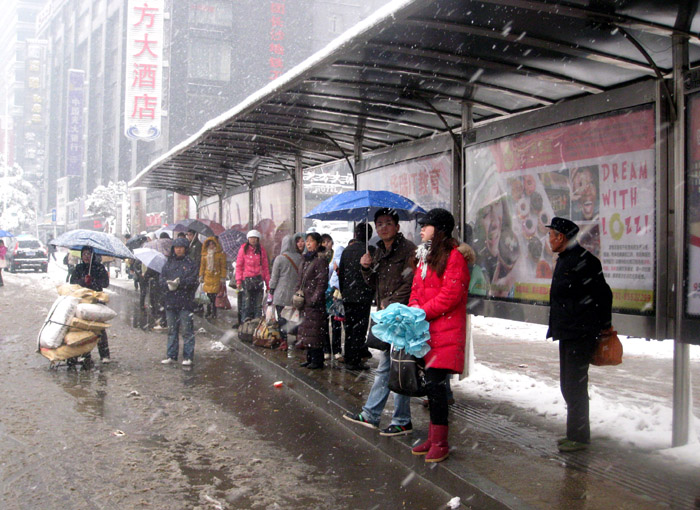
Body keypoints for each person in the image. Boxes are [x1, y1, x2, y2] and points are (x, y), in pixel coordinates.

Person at [343, 208, 417, 436]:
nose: (383, 228)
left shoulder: (408, 250)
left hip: (402, 315)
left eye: (388, 223)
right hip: (386, 314)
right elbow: (373, 283)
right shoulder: (378, 251)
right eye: (380, 224)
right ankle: (374, 415)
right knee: (388, 365)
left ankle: (399, 419)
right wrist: (366, 268)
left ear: (397, 226)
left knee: (399, 366)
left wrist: (391, 303)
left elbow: (410, 282)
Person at [408, 209, 471, 463]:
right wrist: (413, 308)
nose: (421, 229)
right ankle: (433, 438)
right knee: (431, 387)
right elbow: (415, 289)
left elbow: (450, 296)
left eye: (427, 225)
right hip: (426, 332)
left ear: (440, 229)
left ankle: (441, 442)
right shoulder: (424, 257)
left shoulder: (454, 257)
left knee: (436, 386)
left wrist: (422, 312)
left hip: (445, 332)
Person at [546, 216, 612, 452]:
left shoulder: (584, 261)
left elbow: (603, 295)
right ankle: (575, 433)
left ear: (561, 237)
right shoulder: (565, 259)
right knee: (568, 385)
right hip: (567, 331)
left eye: (551, 235)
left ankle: (579, 436)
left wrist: (604, 325)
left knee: (574, 385)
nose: (549, 240)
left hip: (580, 332)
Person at [337, 223, 375, 370]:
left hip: (348, 295)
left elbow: (341, 273)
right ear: (369, 236)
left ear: (355, 234)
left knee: (349, 327)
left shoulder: (347, 250)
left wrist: (344, 291)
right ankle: (355, 359)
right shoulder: (370, 251)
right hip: (363, 296)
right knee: (360, 329)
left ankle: (348, 356)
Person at [159, 237, 199, 366]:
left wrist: (179, 284)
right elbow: (161, 279)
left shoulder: (191, 264)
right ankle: (171, 355)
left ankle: (188, 356)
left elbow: (193, 281)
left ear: (186, 249)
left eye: (181, 247)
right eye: (176, 247)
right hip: (170, 301)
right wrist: (167, 284)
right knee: (172, 330)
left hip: (185, 302)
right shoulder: (168, 263)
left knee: (187, 330)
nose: (179, 250)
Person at [70, 247, 112, 364]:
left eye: (88, 254)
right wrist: (83, 281)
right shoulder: (78, 268)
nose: (86, 256)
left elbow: (105, 283)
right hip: (82, 302)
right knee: (84, 328)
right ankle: (85, 354)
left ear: (93, 255)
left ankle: (104, 355)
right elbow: (72, 283)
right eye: (84, 254)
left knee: (99, 328)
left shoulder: (99, 267)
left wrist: (93, 281)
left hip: (96, 301)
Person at [295, 232, 329, 369]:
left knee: (315, 332)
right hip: (304, 301)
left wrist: (314, 299)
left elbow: (322, 283)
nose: (308, 243)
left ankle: (317, 360)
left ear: (318, 243)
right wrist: (297, 294)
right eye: (307, 241)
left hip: (314, 304)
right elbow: (300, 279)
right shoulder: (305, 259)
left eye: (311, 241)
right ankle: (309, 357)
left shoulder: (320, 260)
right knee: (306, 331)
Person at [269, 232, 305, 351]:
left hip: (281, 293)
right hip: (295, 294)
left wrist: (271, 290)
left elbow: (274, 277)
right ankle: (298, 339)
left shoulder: (280, 258)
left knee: (282, 318)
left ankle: (283, 341)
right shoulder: (300, 258)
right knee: (295, 317)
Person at [235, 230, 270, 323]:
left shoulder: (261, 250)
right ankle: (245, 323)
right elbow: (239, 266)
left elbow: (265, 267)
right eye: (251, 238)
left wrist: (268, 284)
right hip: (247, 280)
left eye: (255, 238)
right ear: (248, 239)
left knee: (258, 304)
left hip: (258, 279)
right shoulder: (243, 249)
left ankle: (256, 322)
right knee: (246, 304)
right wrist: (238, 281)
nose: (253, 240)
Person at [199, 236, 227, 319]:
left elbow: (223, 266)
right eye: (209, 244)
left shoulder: (220, 255)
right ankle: (209, 310)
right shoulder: (204, 255)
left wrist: (223, 277)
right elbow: (202, 266)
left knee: (214, 296)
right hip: (207, 277)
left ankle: (213, 311)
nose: (211, 246)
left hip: (216, 277)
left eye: (213, 244)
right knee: (208, 295)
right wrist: (201, 275)